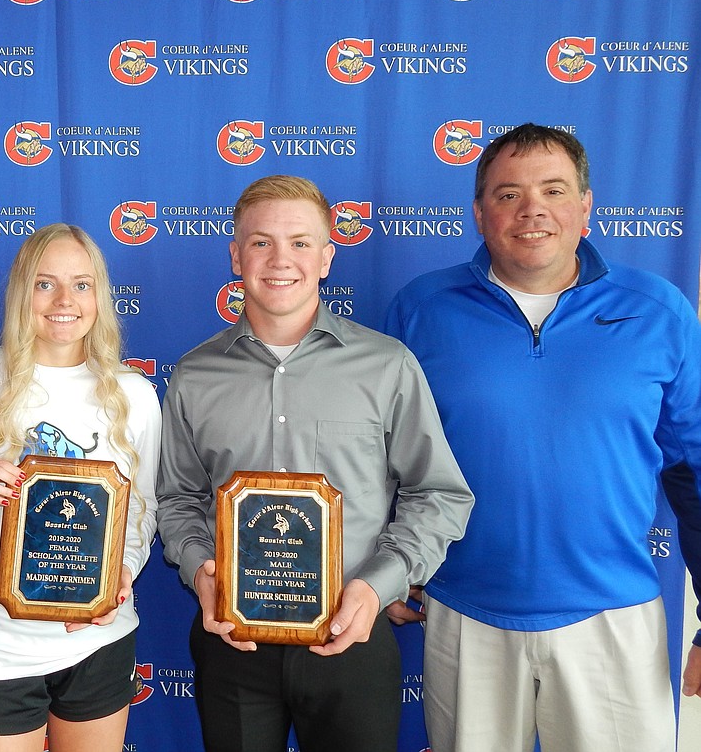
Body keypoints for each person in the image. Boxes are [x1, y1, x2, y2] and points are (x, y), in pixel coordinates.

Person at [384, 123, 701, 752]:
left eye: (554, 191)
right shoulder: (422, 309)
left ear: (585, 208)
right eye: (508, 194)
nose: (532, 210)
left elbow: (694, 474)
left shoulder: (659, 311)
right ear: (479, 213)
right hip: (464, 612)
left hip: (613, 618)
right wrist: (389, 566)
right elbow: (385, 457)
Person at [155, 174, 474, 752]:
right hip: (233, 643)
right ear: (235, 255)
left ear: (328, 257)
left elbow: (440, 493)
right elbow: (177, 498)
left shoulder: (387, 366)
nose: (281, 259)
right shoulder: (193, 375)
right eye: (261, 242)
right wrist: (199, 567)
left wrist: (380, 586)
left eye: (301, 242)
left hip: (352, 638)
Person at [0, 223, 160, 752]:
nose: (64, 300)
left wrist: (122, 572)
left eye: (82, 284)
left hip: (97, 637)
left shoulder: (135, 395)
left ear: (100, 296)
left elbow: (142, 510)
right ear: (22, 292)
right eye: (45, 284)